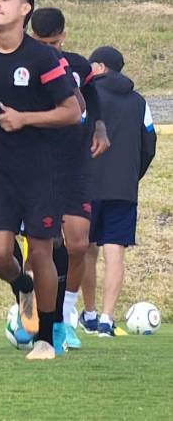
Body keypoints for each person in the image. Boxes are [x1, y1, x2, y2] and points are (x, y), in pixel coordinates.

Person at [0, 0, 81, 360]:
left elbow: (72, 111)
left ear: (25, 9)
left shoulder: (42, 58)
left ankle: (46, 338)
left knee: (42, 251)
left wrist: (25, 118)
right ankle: (23, 285)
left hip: (39, 172)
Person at [28, 7, 111, 349]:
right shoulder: (28, 64)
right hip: (38, 166)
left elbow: (91, 97)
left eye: (53, 41)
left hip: (75, 165)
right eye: (41, 42)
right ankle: (33, 314)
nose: (49, 48)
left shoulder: (77, 65)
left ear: (63, 34)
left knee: (78, 243)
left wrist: (101, 127)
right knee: (43, 248)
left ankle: (66, 316)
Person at [80, 46, 157, 338]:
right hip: (124, 188)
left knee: (86, 250)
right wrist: (131, 175)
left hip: (86, 184)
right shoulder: (140, 101)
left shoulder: (87, 96)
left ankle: (87, 314)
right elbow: (149, 144)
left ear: (99, 67)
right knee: (115, 254)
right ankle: (106, 320)